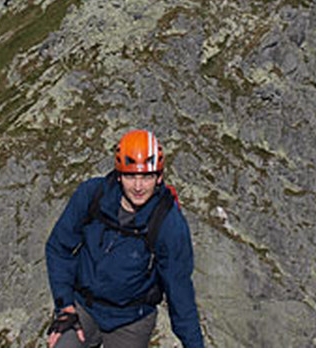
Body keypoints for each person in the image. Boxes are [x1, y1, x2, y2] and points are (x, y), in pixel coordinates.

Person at [45, 129, 205, 348]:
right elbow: (58, 247)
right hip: (83, 306)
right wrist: (65, 307)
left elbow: (180, 291)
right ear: (119, 175)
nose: (138, 186)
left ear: (159, 178)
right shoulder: (92, 195)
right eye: (131, 175)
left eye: (146, 176)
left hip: (131, 320)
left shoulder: (169, 223)